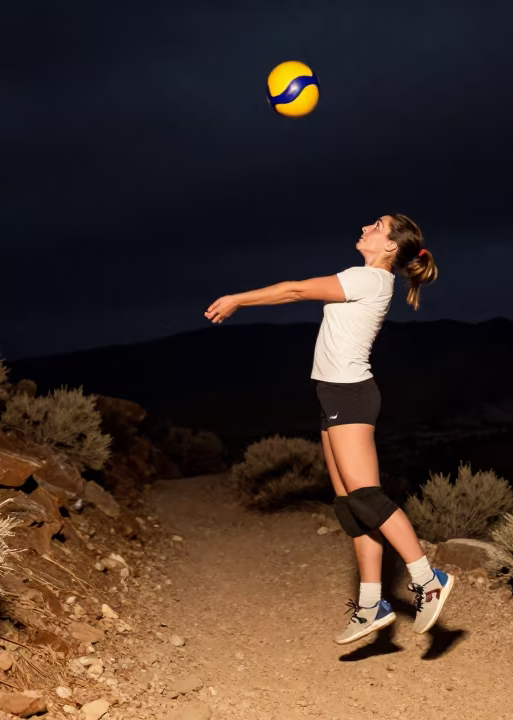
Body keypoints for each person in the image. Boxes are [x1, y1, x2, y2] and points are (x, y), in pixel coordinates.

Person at [205, 213, 453, 644]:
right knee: (350, 505)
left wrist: (238, 299)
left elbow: (296, 290)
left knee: (366, 496)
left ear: (391, 246)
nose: (366, 227)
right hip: (333, 394)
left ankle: (428, 579)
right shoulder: (371, 279)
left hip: (349, 394)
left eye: (378, 225)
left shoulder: (368, 278)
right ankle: (371, 604)